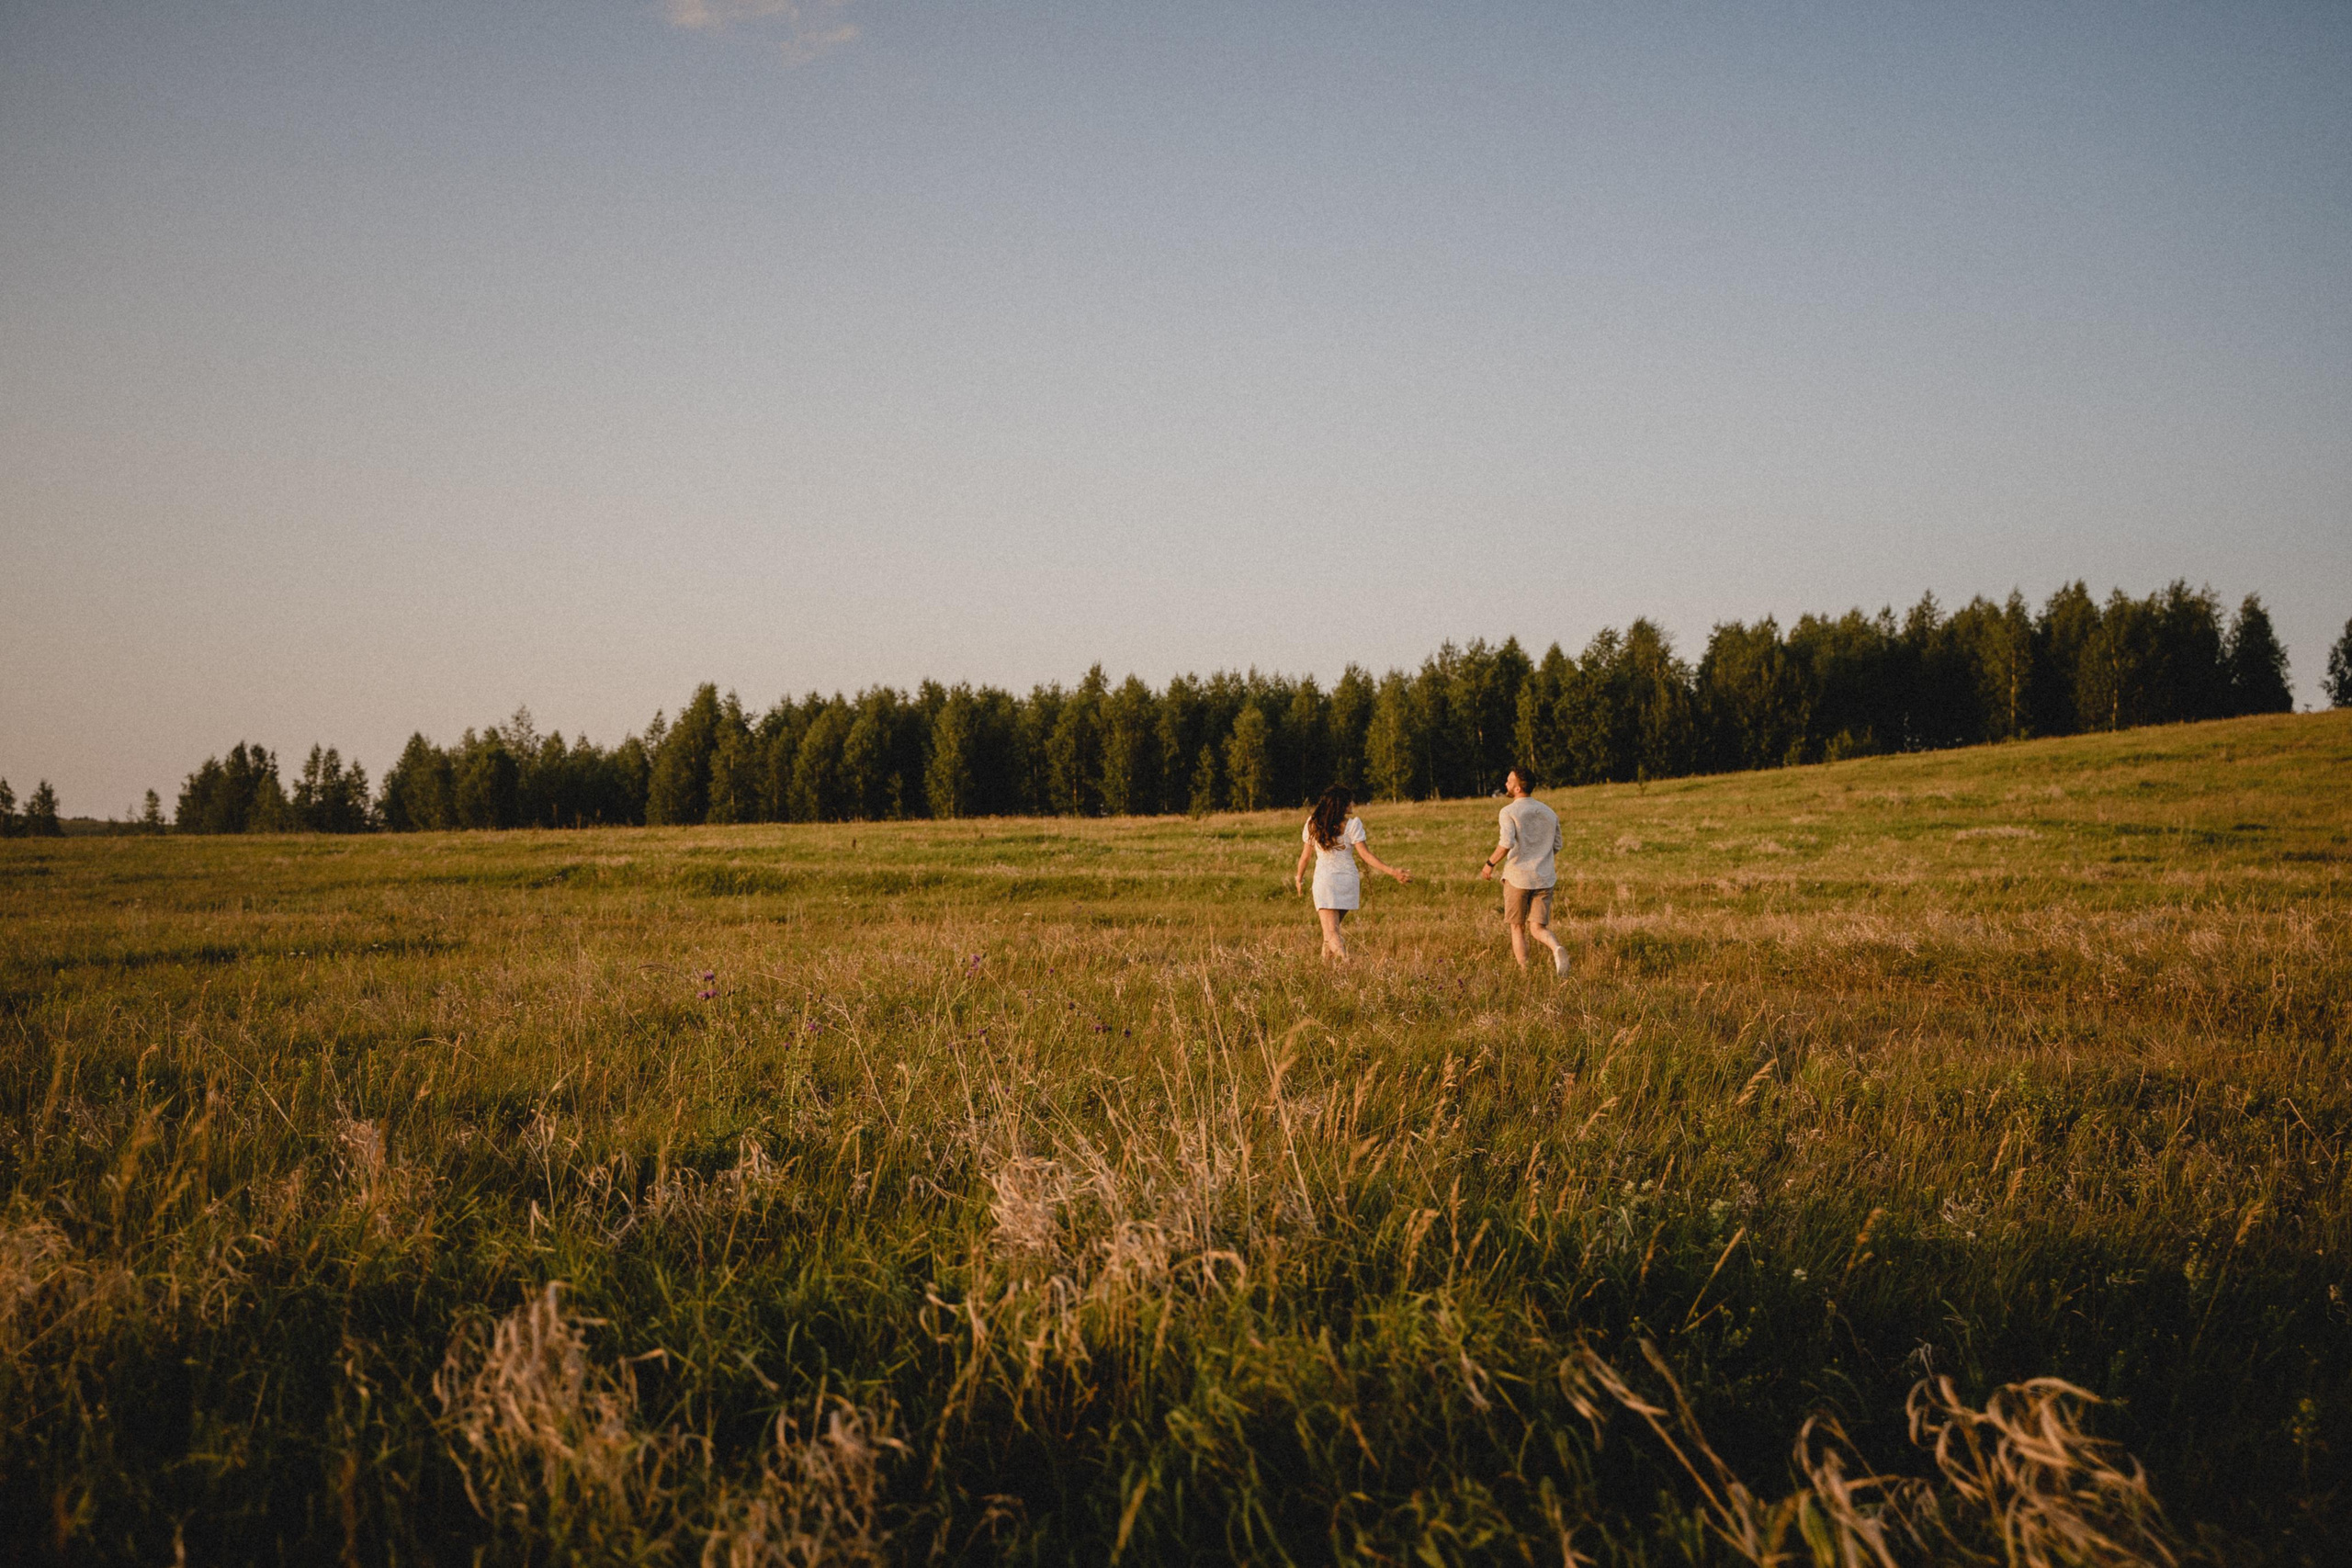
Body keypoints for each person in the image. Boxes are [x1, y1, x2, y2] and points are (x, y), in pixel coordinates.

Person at [1292, 784, 1410, 960]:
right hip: (1348, 882)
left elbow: (1305, 858)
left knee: (1331, 933)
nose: (1352, 803)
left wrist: (1299, 879)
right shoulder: (1353, 825)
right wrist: (1392, 871)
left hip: (1326, 882)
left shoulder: (1313, 824)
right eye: (1349, 801)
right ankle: (1325, 971)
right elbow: (1366, 855)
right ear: (1341, 804)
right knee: (1330, 933)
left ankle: (1347, 964)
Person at [1477, 764, 1570, 975]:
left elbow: (1506, 842)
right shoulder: (1549, 812)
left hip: (1518, 877)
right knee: (1538, 928)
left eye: (1510, 782)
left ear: (1518, 788)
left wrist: (1489, 864)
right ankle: (1556, 948)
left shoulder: (1508, 811)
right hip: (1544, 878)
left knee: (1517, 927)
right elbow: (1557, 845)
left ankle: (1525, 972)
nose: (1506, 784)